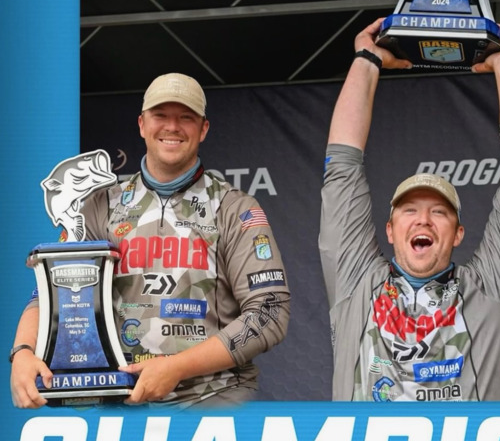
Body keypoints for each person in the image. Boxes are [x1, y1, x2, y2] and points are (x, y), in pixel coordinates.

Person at [10, 73, 290, 408]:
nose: (172, 126)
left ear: (203, 129)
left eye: (186, 117)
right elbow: (52, 294)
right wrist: (23, 352)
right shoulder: (100, 207)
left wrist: (177, 367)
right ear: (142, 124)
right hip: (121, 398)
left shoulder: (234, 208)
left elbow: (270, 310)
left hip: (215, 398)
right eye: (160, 115)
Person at [319, 18, 500, 401]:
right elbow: (342, 168)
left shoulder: (491, 288)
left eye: (439, 212)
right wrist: (366, 61)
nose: (423, 219)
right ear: (390, 230)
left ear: (458, 233)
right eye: (409, 210)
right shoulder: (356, 282)